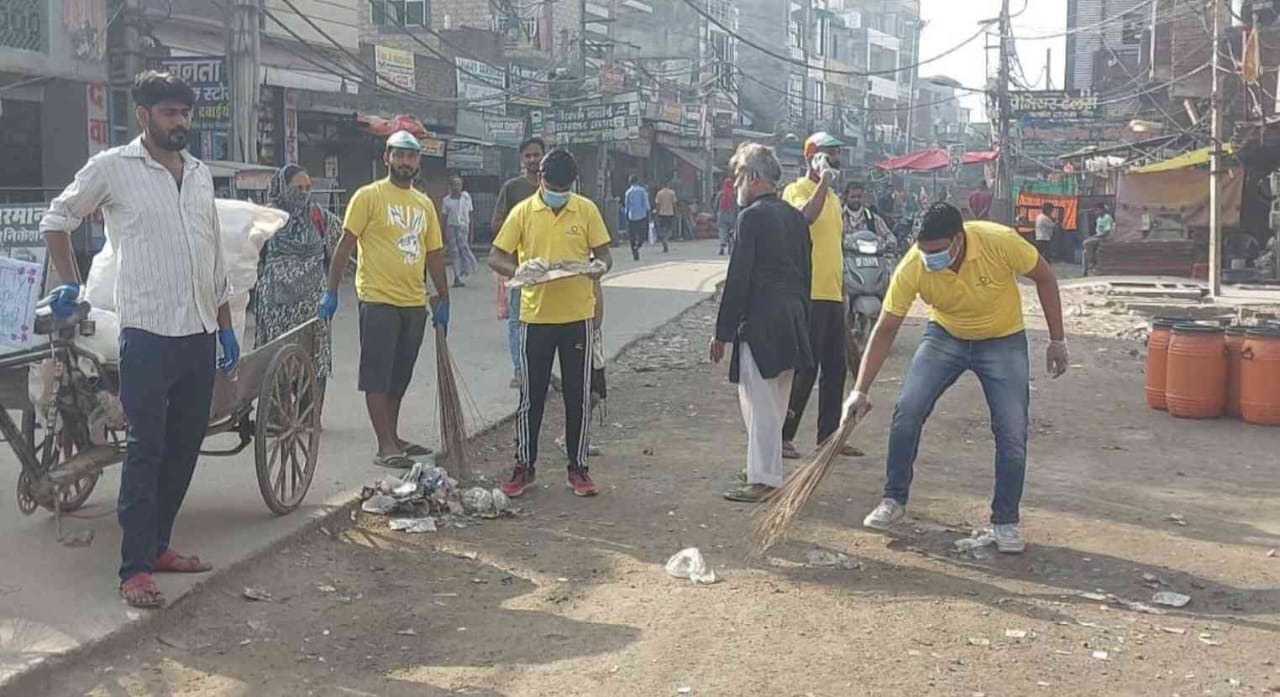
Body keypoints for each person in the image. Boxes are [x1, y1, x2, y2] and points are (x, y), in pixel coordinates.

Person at [40, 71, 239, 608]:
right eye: (170, 113)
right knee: (146, 450)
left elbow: (213, 255)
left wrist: (225, 325)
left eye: (185, 113)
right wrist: (71, 283)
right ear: (144, 115)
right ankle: (134, 570)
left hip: (199, 333)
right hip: (147, 335)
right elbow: (57, 218)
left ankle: (159, 547)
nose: (181, 122)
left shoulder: (199, 174)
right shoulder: (113, 168)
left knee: (183, 448)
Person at [847, 202, 1069, 553]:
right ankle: (893, 498)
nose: (930, 259)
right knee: (908, 409)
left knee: (1012, 430)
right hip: (945, 337)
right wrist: (860, 390)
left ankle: (1005, 521)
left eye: (937, 251)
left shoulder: (999, 242)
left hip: (1002, 340)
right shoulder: (913, 266)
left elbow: (1044, 276)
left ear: (958, 239)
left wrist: (1057, 340)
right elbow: (886, 328)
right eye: (924, 251)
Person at [318, 130, 449, 470]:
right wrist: (331, 290)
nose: (405, 161)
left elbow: (434, 254)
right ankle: (384, 444)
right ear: (387, 158)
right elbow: (345, 245)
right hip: (377, 299)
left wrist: (443, 299)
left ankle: (393, 435)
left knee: (399, 375)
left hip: (413, 301)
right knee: (377, 374)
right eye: (399, 154)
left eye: (411, 156)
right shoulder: (369, 196)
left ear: (419, 162)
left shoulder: (424, 204)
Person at [489, 148, 613, 498]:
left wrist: (599, 268)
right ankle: (524, 466)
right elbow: (496, 257)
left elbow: (605, 254)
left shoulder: (585, 210)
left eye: (564, 188)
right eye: (554, 187)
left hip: (577, 317)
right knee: (531, 397)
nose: (559, 192)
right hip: (535, 317)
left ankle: (578, 468)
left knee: (578, 396)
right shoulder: (523, 212)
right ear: (541, 179)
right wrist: (519, 271)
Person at [710, 143, 813, 503]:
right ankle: (761, 469)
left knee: (760, 404)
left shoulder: (751, 217)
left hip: (762, 320)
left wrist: (722, 332)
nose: (736, 184)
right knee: (774, 403)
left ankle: (764, 481)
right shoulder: (795, 217)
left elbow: (739, 277)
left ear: (753, 177)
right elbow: (806, 273)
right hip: (793, 317)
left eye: (739, 176)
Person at [779, 131, 857, 460]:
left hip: (832, 294)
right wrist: (822, 181)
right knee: (805, 369)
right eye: (829, 153)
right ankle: (784, 435)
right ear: (811, 157)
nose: (835, 159)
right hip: (808, 292)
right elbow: (804, 219)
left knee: (835, 369)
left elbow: (833, 247)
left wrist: (842, 291)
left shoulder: (835, 199)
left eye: (837, 154)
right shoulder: (796, 190)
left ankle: (828, 438)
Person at [257, 164, 341, 413]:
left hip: (312, 306)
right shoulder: (267, 218)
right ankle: (276, 416)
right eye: (297, 188)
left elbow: (343, 245)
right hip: (276, 306)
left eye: (307, 188)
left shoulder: (319, 217)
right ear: (283, 188)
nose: (303, 193)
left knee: (315, 359)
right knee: (275, 361)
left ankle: (309, 415)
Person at [492, 137, 546, 389]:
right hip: (518, 267)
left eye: (537, 155)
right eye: (528, 156)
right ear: (522, 159)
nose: (533, 160)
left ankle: (541, 369)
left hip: (551, 268)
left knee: (546, 322)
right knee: (517, 320)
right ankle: (520, 370)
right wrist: (520, 232)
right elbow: (497, 223)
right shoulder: (512, 188)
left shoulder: (554, 188)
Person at [441, 175, 478, 287]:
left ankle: (469, 267)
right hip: (451, 227)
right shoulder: (446, 200)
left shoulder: (466, 198)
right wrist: (443, 233)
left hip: (463, 227)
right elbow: (444, 217)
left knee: (464, 248)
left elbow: (470, 214)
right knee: (454, 252)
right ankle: (456, 277)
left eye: (458, 184)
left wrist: (471, 232)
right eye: (454, 185)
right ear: (450, 186)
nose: (456, 187)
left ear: (461, 186)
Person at [843, 182, 893, 248]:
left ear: (863, 197)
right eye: (853, 197)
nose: (856, 200)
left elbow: (891, 238)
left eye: (859, 197)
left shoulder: (873, 218)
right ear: (846, 197)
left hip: (871, 254)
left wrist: (882, 242)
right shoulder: (839, 217)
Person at [623, 175, 651, 261]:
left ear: (630, 182)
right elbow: (646, 203)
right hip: (641, 216)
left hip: (631, 217)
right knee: (642, 235)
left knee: (632, 236)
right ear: (637, 181)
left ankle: (634, 251)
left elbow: (627, 206)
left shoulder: (628, 192)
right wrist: (649, 214)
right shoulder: (642, 191)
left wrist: (626, 217)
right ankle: (637, 246)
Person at [1082, 202, 1114, 276]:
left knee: (1086, 243)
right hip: (1098, 238)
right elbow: (1098, 232)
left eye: (1097, 210)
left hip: (1105, 238)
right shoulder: (1098, 219)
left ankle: (1093, 261)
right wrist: (1093, 237)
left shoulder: (1107, 217)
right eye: (1095, 210)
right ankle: (1085, 272)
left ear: (1102, 210)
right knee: (1085, 252)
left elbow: (1107, 231)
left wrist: (1096, 237)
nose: (1096, 212)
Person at [716, 175, 738, 255]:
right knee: (731, 231)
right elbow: (737, 206)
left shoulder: (721, 194)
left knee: (722, 231)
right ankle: (730, 248)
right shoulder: (734, 194)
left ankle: (722, 246)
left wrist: (716, 212)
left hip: (722, 214)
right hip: (732, 215)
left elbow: (715, 205)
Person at [654, 181, 677, 253]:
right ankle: (666, 239)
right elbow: (674, 204)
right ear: (668, 185)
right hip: (670, 213)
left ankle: (664, 241)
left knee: (662, 229)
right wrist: (675, 212)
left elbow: (658, 205)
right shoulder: (672, 193)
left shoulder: (659, 193)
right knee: (670, 229)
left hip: (662, 214)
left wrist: (657, 213)